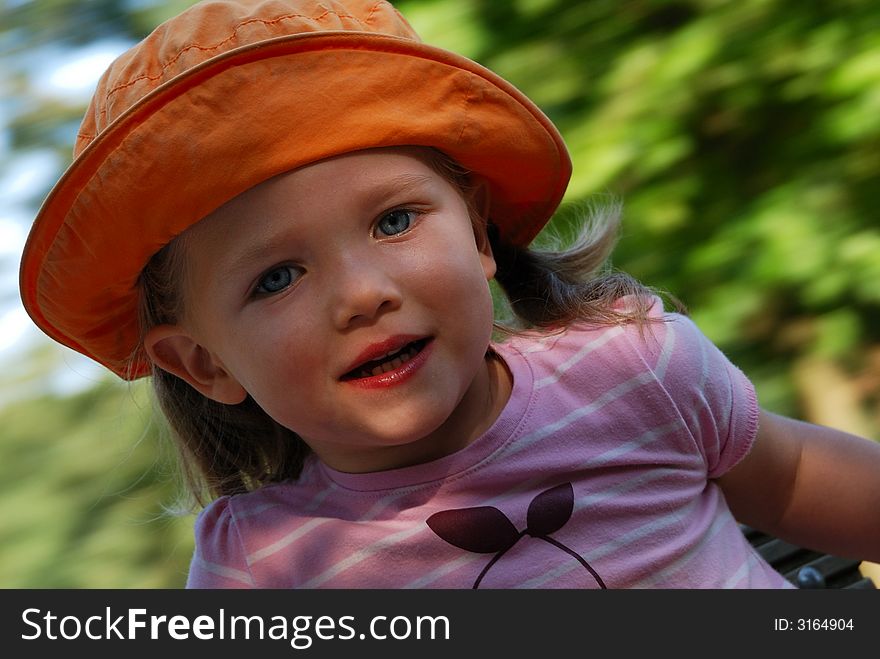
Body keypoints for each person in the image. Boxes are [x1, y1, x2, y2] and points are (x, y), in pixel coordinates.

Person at [19, 0, 880, 589]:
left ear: (476, 233)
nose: (362, 294)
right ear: (202, 361)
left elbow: (798, 474)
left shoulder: (637, 369)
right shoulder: (268, 567)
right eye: (276, 276)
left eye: (394, 220)